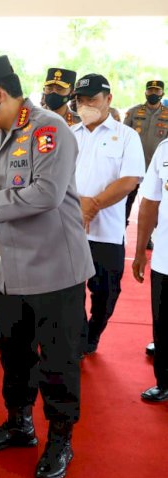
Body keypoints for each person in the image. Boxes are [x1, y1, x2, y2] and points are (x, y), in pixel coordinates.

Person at [0, 55, 94, 478]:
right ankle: (20, 424)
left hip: (55, 271)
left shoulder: (50, 130)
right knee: (15, 357)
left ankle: (60, 440)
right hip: (12, 269)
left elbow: (47, 194)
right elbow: (3, 186)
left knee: (58, 361)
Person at [71, 74, 144, 355]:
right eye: (81, 100)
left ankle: (92, 334)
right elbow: (55, 178)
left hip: (107, 233)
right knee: (70, 291)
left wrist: (93, 204)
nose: (87, 105)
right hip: (70, 229)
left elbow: (129, 181)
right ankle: (76, 338)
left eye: (93, 100)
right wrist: (77, 204)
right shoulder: (70, 135)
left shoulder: (126, 136)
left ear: (108, 100)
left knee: (106, 292)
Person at [134, 138, 168, 402]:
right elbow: (149, 202)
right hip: (165, 258)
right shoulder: (164, 148)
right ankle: (165, 382)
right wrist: (140, 251)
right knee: (163, 323)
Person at [124, 80, 168, 227]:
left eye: (157, 91)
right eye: (150, 90)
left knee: (154, 202)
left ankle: (148, 237)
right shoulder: (134, 112)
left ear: (162, 93)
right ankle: (122, 228)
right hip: (134, 165)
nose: (153, 94)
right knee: (127, 199)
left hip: (156, 167)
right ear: (145, 92)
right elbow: (124, 136)